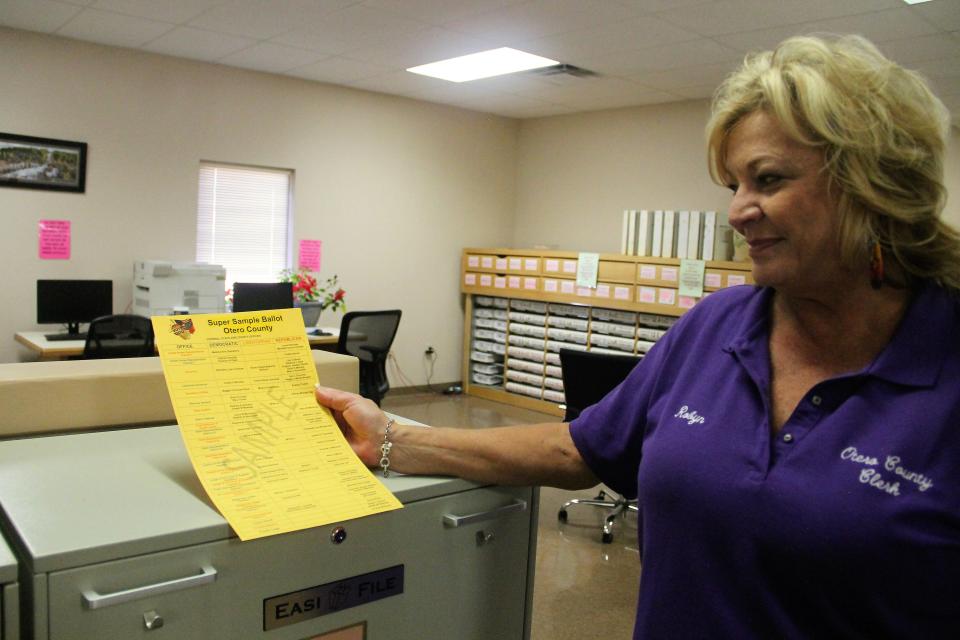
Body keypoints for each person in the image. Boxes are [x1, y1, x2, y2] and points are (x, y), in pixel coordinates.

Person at [316, 34, 960, 638]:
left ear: (870, 188)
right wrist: (395, 438)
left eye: (768, 179)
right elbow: (576, 452)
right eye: (733, 184)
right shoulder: (718, 326)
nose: (737, 210)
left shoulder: (943, 364)